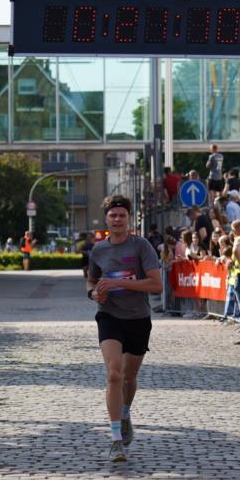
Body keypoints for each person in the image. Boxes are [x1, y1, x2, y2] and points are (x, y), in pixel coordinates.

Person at [87, 195, 161, 464]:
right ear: (106, 219)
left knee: (129, 379)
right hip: (109, 317)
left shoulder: (141, 246)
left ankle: (126, 412)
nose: (117, 220)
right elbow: (91, 281)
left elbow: (156, 286)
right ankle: (116, 440)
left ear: (129, 219)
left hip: (138, 318)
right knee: (114, 374)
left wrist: (123, 285)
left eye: (122, 216)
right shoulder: (98, 250)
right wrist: (95, 294)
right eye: (113, 216)